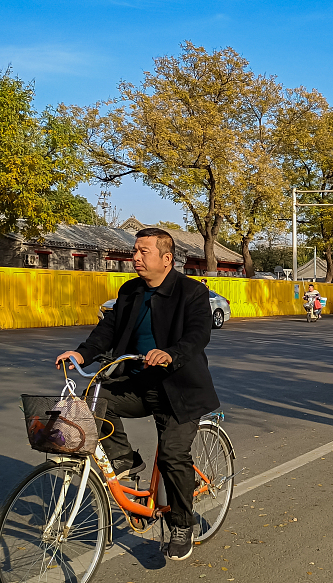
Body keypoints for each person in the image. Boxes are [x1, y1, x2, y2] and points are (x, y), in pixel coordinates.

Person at [55, 227, 219, 562]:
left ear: (167, 258)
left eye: (144, 252)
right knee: (93, 401)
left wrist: (172, 352)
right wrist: (83, 353)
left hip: (179, 389)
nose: (135, 257)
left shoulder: (191, 293)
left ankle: (181, 525)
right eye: (135, 251)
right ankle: (126, 460)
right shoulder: (130, 290)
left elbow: (199, 333)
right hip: (138, 383)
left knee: (173, 457)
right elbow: (109, 329)